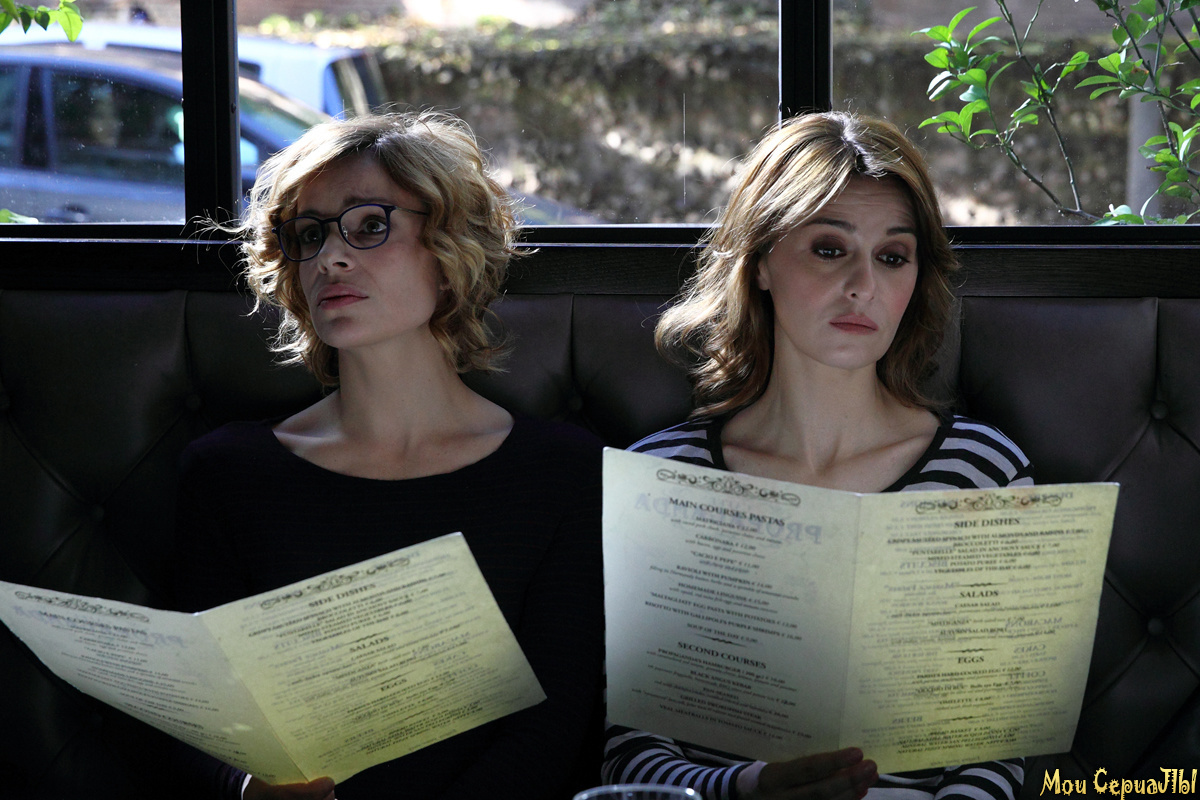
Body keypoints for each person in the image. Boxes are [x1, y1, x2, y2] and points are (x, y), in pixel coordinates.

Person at [170, 110, 604, 800]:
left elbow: (557, 722)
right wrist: (248, 789)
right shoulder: (227, 473)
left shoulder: (565, 472)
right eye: (308, 235)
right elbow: (195, 712)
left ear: (450, 249)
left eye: (369, 225)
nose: (330, 259)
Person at [601, 111, 1032, 800]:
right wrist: (748, 789)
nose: (864, 285)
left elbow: (997, 747)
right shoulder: (666, 479)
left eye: (893, 257)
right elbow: (631, 751)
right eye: (830, 249)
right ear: (761, 262)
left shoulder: (984, 474)